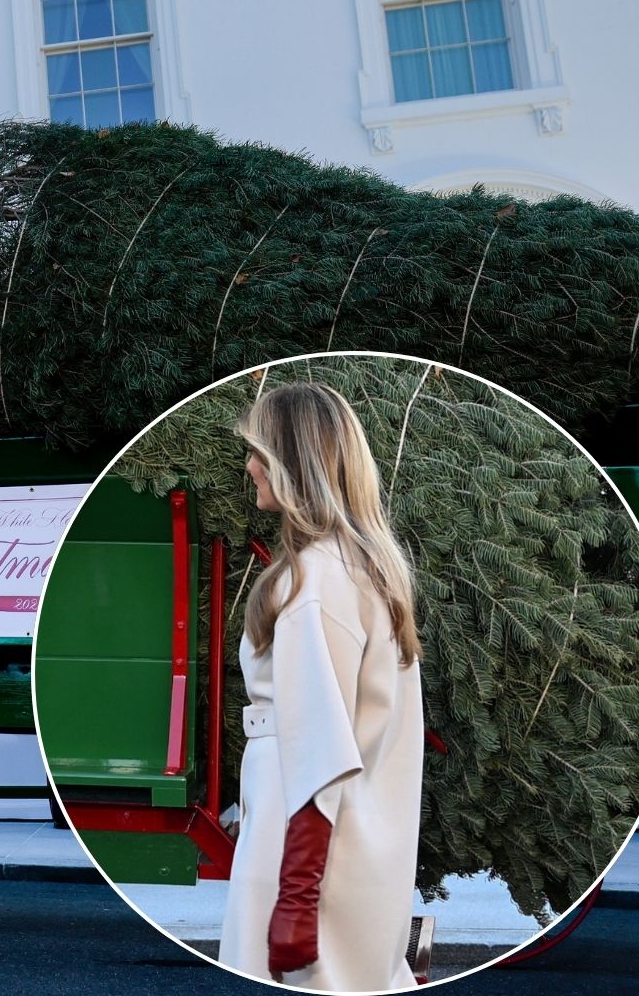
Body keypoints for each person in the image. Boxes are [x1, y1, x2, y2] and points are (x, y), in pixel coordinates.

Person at [216, 382, 423, 990]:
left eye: (259, 450)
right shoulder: (364, 569)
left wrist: (296, 902)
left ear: (293, 461)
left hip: (301, 847)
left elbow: (318, 754)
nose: (249, 464)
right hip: (356, 842)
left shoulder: (315, 583)